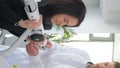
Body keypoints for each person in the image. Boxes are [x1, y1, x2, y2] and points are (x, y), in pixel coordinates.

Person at [0, 0, 86, 37]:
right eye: (65, 20)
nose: (61, 24)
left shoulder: (45, 25)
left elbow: (11, 27)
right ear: (64, 8)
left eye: (65, 25)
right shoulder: (40, 2)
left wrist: (29, 37)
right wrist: (19, 22)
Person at [25, 40, 120, 68]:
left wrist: (34, 58)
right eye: (106, 63)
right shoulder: (82, 54)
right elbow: (57, 47)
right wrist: (46, 43)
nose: (101, 66)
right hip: (20, 53)